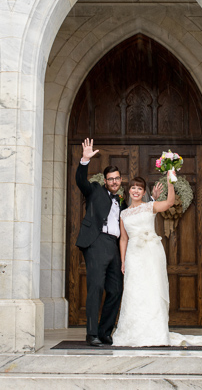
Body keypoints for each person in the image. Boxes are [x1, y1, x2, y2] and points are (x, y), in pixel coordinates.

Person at [113, 175, 202, 347]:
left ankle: (155, 332)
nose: (136, 191)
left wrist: (170, 184)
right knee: (134, 291)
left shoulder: (150, 206)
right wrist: (122, 261)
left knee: (152, 288)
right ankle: (133, 332)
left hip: (151, 252)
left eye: (139, 188)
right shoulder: (124, 213)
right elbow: (123, 239)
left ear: (144, 192)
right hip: (133, 255)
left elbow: (169, 203)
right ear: (128, 191)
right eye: (133, 188)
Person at [74, 138, 126, 346]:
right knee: (95, 287)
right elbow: (81, 182)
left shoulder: (122, 202)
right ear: (105, 181)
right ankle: (92, 333)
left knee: (115, 290)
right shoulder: (95, 190)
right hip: (96, 242)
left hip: (114, 245)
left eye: (117, 179)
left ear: (121, 180)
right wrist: (84, 160)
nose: (114, 182)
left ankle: (105, 331)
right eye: (110, 179)